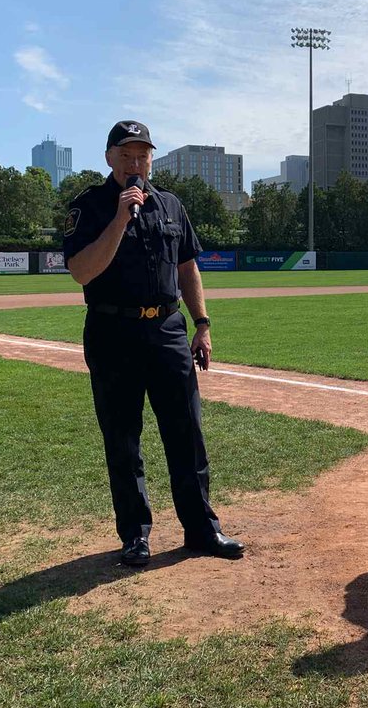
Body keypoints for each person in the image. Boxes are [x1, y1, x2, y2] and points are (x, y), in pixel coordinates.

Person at [64, 120, 244, 567]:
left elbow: (187, 267)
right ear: (109, 158)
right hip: (113, 332)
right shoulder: (89, 206)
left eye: (142, 156)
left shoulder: (171, 205)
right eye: (126, 155)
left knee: (187, 433)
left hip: (167, 331)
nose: (135, 164)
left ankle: (202, 529)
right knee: (123, 439)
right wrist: (120, 219)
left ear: (150, 160)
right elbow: (82, 271)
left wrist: (202, 324)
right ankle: (135, 535)